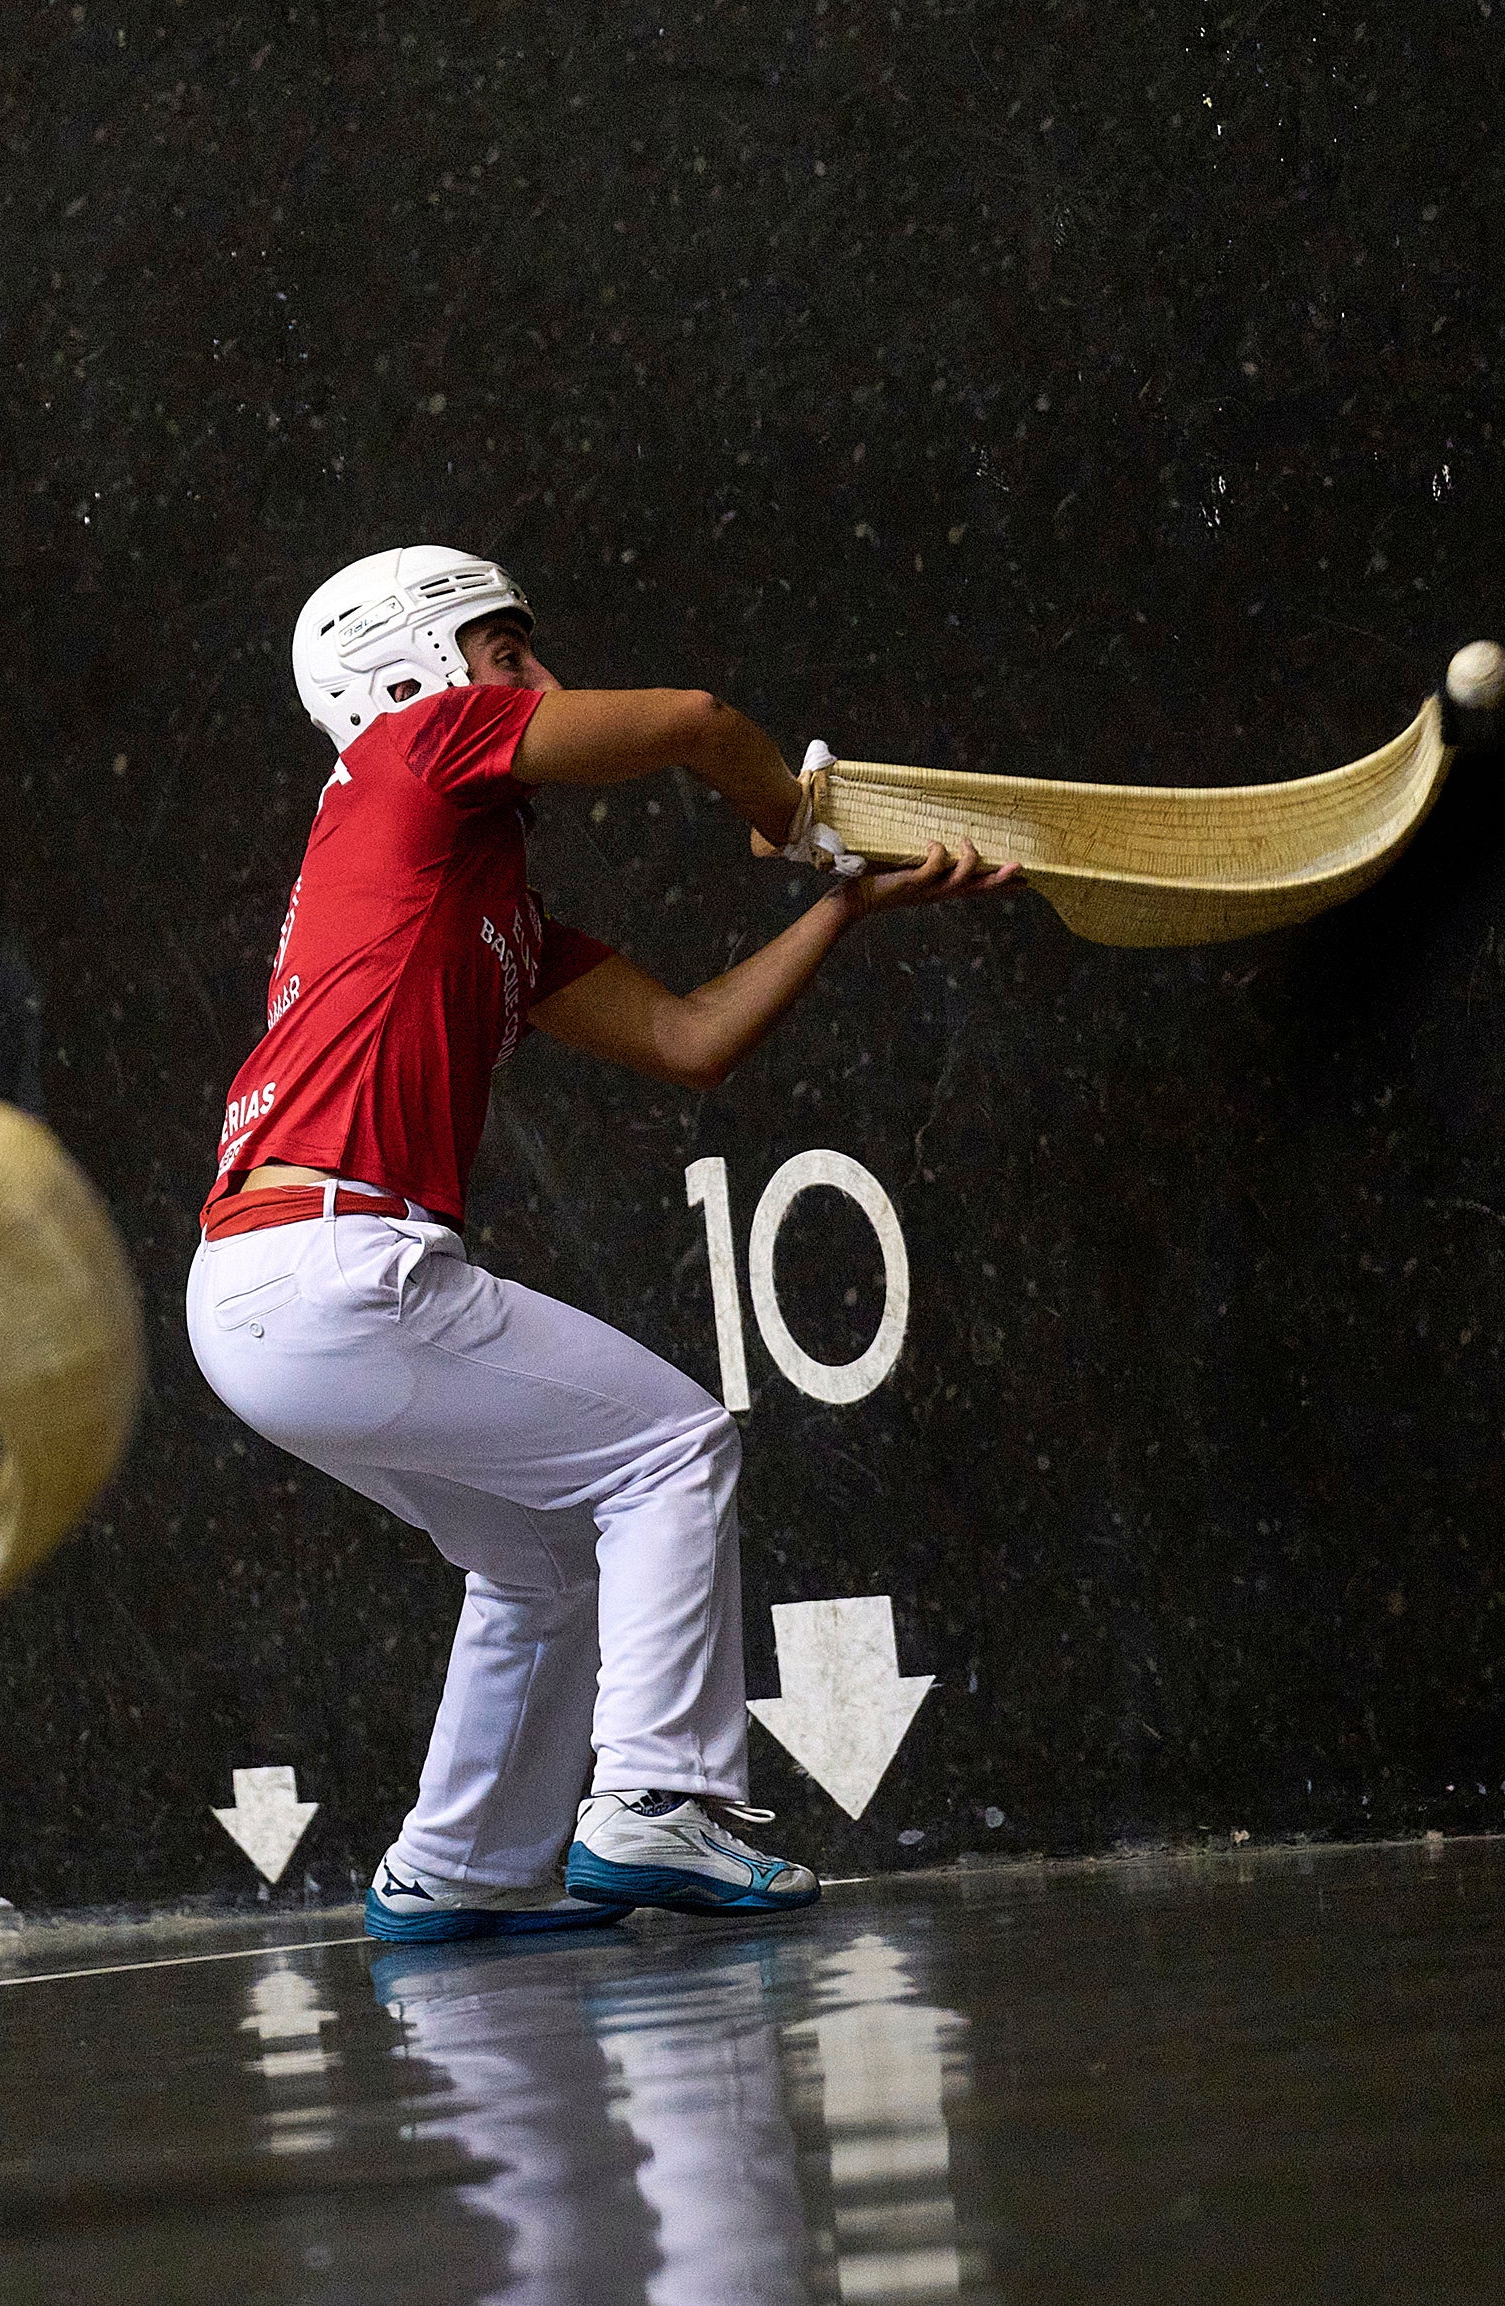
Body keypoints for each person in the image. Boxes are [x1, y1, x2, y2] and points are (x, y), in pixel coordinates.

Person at [186, 547, 1015, 1945]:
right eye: (511, 653)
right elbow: (696, 720)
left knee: (539, 1559)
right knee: (672, 1448)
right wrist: (801, 820)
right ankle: (658, 1799)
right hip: (341, 1269)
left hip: (259, 1298)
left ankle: (456, 1863)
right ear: (414, 669)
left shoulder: (478, 900)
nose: (544, 682)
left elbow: (690, 1038)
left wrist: (840, 908)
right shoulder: (414, 745)